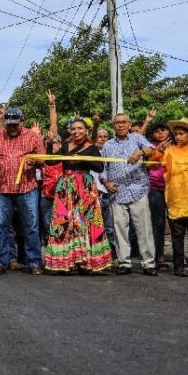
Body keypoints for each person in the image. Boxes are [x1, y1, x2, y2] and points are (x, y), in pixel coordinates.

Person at [43, 90, 111, 273]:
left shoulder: (91, 147)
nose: (76, 131)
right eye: (73, 129)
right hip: (66, 187)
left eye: (80, 128)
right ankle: (65, 261)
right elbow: (51, 161)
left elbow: (99, 168)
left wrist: (80, 159)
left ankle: (87, 262)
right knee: (65, 223)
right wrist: (50, 144)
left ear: (86, 131)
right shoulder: (65, 145)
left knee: (86, 223)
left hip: (86, 187)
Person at [0, 106, 46, 275]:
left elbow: (43, 158)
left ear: (22, 122)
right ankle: (1, 262)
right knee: (1, 227)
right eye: (9, 124)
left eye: (15, 125)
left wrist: (35, 160)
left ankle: (34, 262)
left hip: (27, 188)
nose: (11, 128)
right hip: (2, 190)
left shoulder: (32, 136)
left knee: (31, 226)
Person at [151, 119, 188, 276]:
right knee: (177, 236)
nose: (177, 137)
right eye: (176, 134)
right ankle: (179, 266)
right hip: (176, 199)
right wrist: (158, 151)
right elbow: (153, 165)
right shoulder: (170, 152)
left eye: (181, 134)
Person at [100, 113, 158, 276]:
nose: (120, 125)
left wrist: (140, 153)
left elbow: (151, 149)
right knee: (120, 231)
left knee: (144, 229)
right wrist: (106, 183)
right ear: (113, 126)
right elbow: (103, 170)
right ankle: (124, 263)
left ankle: (148, 263)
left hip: (138, 189)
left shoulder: (137, 138)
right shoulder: (108, 146)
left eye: (124, 122)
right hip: (116, 192)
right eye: (117, 123)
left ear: (129, 124)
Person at [147, 122, 171, 268]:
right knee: (158, 223)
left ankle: (179, 257)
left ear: (168, 132)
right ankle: (159, 255)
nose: (160, 133)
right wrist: (159, 151)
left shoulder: (176, 147)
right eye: (157, 131)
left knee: (176, 223)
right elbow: (149, 164)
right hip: (155, 188)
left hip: (174, 188)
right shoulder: (149, 147)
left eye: (163, 130)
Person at [93, 128, 117, 259]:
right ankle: (98, 255)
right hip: (93, 195)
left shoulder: (111, 153)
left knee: (110, 228)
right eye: (99, 136)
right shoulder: (89, 153)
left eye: (105, 136)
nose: (102, 138)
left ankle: (112, 255)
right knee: (95, 228)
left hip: (108, 195)